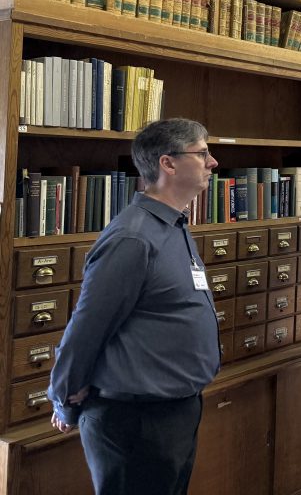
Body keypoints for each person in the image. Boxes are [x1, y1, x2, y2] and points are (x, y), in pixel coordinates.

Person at [47, 118, 221, 495]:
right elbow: (87, 327)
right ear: (168, 164)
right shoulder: (133, 237)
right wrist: (64, 398)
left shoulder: (172, 225)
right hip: (135, 421)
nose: (213, 163)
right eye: (203, 153)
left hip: (173, 411)